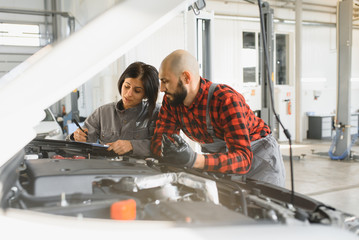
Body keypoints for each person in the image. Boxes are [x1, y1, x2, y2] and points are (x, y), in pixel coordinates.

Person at [150, 49, 285, 187]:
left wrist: (193, 159)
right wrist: (168, 152)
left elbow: (243, 159)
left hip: (259, 158)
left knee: (265, 205)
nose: (161, 89)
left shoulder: (226, 100)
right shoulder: (172, 101)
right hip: (223, 161)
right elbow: (159, 141)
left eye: (165, 81)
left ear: (186, 78)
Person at [68, 61, 160, 158]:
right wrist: (76, 137)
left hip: (142, 171)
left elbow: (165, 147)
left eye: (137, 91)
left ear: (146, 94)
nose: (128, 93)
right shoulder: (102, 113)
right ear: (121, 83)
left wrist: (132, 146)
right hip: (107, 171)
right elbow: (78, 143)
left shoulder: (157, 113)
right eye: (126, 86)